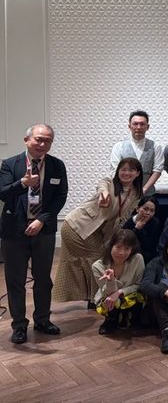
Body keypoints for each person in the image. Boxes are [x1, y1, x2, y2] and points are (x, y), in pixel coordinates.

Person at [0, 124, 68, 344]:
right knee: (15, 280)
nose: (42, 144)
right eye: (39, 139)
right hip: (14, 230)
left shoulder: (57, 165)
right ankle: (19, 325)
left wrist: (42, 219)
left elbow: (60, 196)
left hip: (43, 230)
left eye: (48, 140)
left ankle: (42, 320)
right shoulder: (10, 164)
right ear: (27, 140)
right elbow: (3, 193)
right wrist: (23, 183)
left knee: (43, 279)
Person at [54, 157, 143, 304]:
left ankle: (94, 298)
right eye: (123, 169)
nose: (126, 173)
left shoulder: (136, 194)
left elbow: (124, 216)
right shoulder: (109, 183)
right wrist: (104, 194)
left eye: (131, 170)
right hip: (77, 226)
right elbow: (102, 186)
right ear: (118, 171)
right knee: (98, 260)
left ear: (138, 173)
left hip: (97, 231)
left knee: (98, 258)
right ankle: (97, 299)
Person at [91, 229, 146, 334]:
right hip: (108, 295)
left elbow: (139, 285)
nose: (122, 253)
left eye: (127, 248)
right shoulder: (98, 266)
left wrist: (119, 292)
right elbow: (107, 292)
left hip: (130, 294)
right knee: (110, 300)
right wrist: (111, 281)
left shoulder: (138, 259)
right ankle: (111, 320)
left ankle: (130, 318)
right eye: (118, 247)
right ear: (111, 246)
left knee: (139, 297)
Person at [110, 110, 164, 196]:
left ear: (147, 127)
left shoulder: (156, 147)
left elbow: (157, 170)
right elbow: (115, 170)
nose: (138, 127)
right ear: (129, 126)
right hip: (124, 195)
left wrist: (144, 189)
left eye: (142, 124)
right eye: (135, 124)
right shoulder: (119, 146)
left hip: (148, 195)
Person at [123, 196, 162, 263]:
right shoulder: (128, 223)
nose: (148, 213)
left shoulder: (155, 223)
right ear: (137, 209)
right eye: (145, 209)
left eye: (152, 211)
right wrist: (136, 229)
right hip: (129, 255)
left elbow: (151, 246)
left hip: (148, 257)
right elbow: (125, 242)